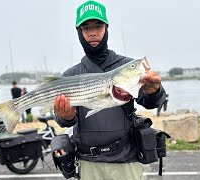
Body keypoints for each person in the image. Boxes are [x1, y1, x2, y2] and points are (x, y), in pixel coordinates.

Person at [53, 1, 166, 179]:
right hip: (88, 163)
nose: (93, 32)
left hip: (126, 162)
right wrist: (65, 116)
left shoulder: (127, 66)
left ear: (106, 28)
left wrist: (155, 91)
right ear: (79, 33)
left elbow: (152, 102)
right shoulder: (70, 75)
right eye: (85, 27)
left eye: (98, 26)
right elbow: (63, 120)